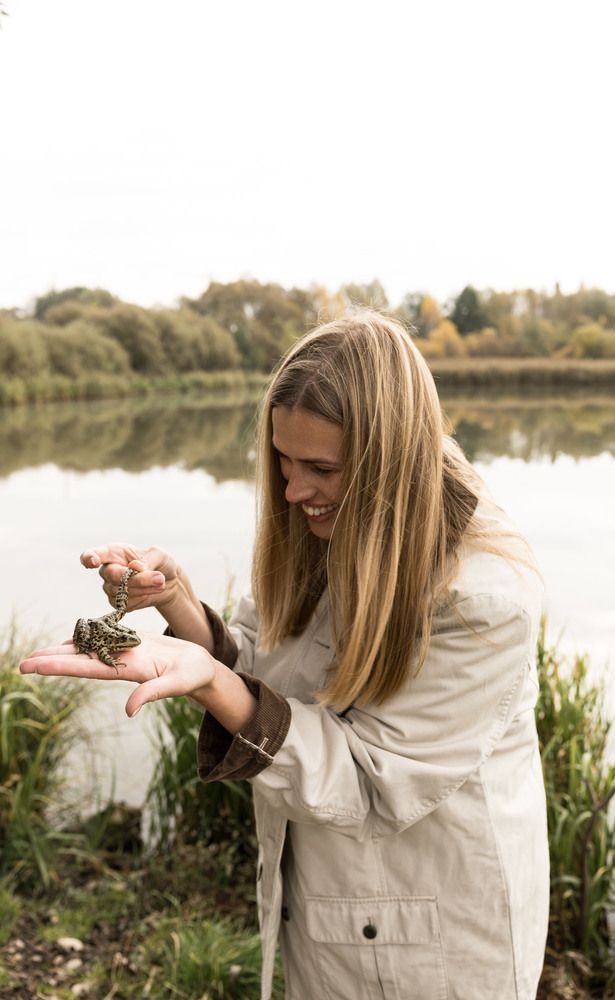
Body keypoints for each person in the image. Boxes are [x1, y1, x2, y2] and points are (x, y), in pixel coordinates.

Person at [21, 311, 549, 1000]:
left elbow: (367, 785)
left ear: (386, 461)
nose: (294, 490)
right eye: (283, 462)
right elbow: (272, 676)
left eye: (320, 468)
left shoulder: (481, 598)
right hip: (325, 916)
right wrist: (181, 607)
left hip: (434, 944)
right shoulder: (322, 521)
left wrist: (211, 684)